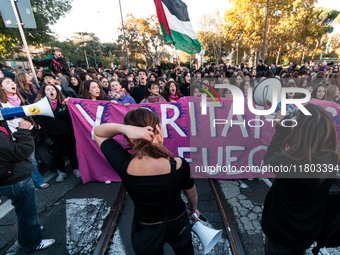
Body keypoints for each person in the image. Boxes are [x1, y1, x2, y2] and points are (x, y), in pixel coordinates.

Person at [93, 107, 199, 255]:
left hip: (147, 227)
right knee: (185, 251)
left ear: (129, 137)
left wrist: (126, 129)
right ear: (158, 129)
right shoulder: (180, 164)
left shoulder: (125, 165)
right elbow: (192, 196)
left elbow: (98, 132)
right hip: (177, 221)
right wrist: (193, 209)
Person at [262, 104, 340, 255]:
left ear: (298, 131)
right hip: (308, 230)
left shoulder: (284, 161)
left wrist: (282, 128)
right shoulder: (333, 158)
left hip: (279, 231)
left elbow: (269, 157)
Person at [0, 119, 55, 252]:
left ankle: (27, 235)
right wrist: (23, 132)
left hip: (14, 177)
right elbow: (19, 151)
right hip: (16, 179)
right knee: (28, 212)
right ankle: (33, 243)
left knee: (24, 211)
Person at [0, 77, 49, 189]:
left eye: (12, 81)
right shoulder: (2, 103)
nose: (12, 83)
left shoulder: (20, 99)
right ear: (1, 87)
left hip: (29, 131)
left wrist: (35, 123)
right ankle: (37, 181)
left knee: (37, 157)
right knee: (30, 159)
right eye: (7, 82)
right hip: (16, 135)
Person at [35, 83, 80, 182]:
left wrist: (64, 111)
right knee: (57, 154)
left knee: (71, 151)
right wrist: (46, 137)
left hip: (66, 132)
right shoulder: (41, 107)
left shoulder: (63, 103)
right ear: (44, 93)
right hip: (53, 135)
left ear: (57, 92)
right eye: (48, 90)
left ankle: (75, 169)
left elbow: (70, 118)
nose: (51, 91)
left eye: (53, 89)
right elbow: (42, 124)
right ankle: (62, 171)